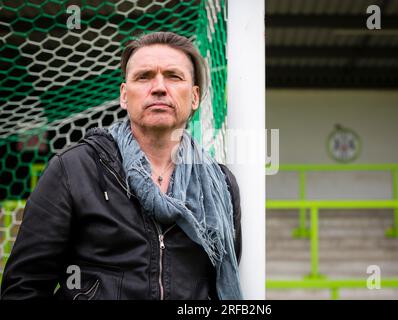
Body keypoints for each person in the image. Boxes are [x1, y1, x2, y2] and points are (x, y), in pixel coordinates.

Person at [0, 31, 243, 300]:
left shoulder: (221, 184)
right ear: (124, 95)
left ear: (195, 97)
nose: (160, 87)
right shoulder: (74, 170)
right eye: (144, 76)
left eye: (174, 76)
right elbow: (23, 287)